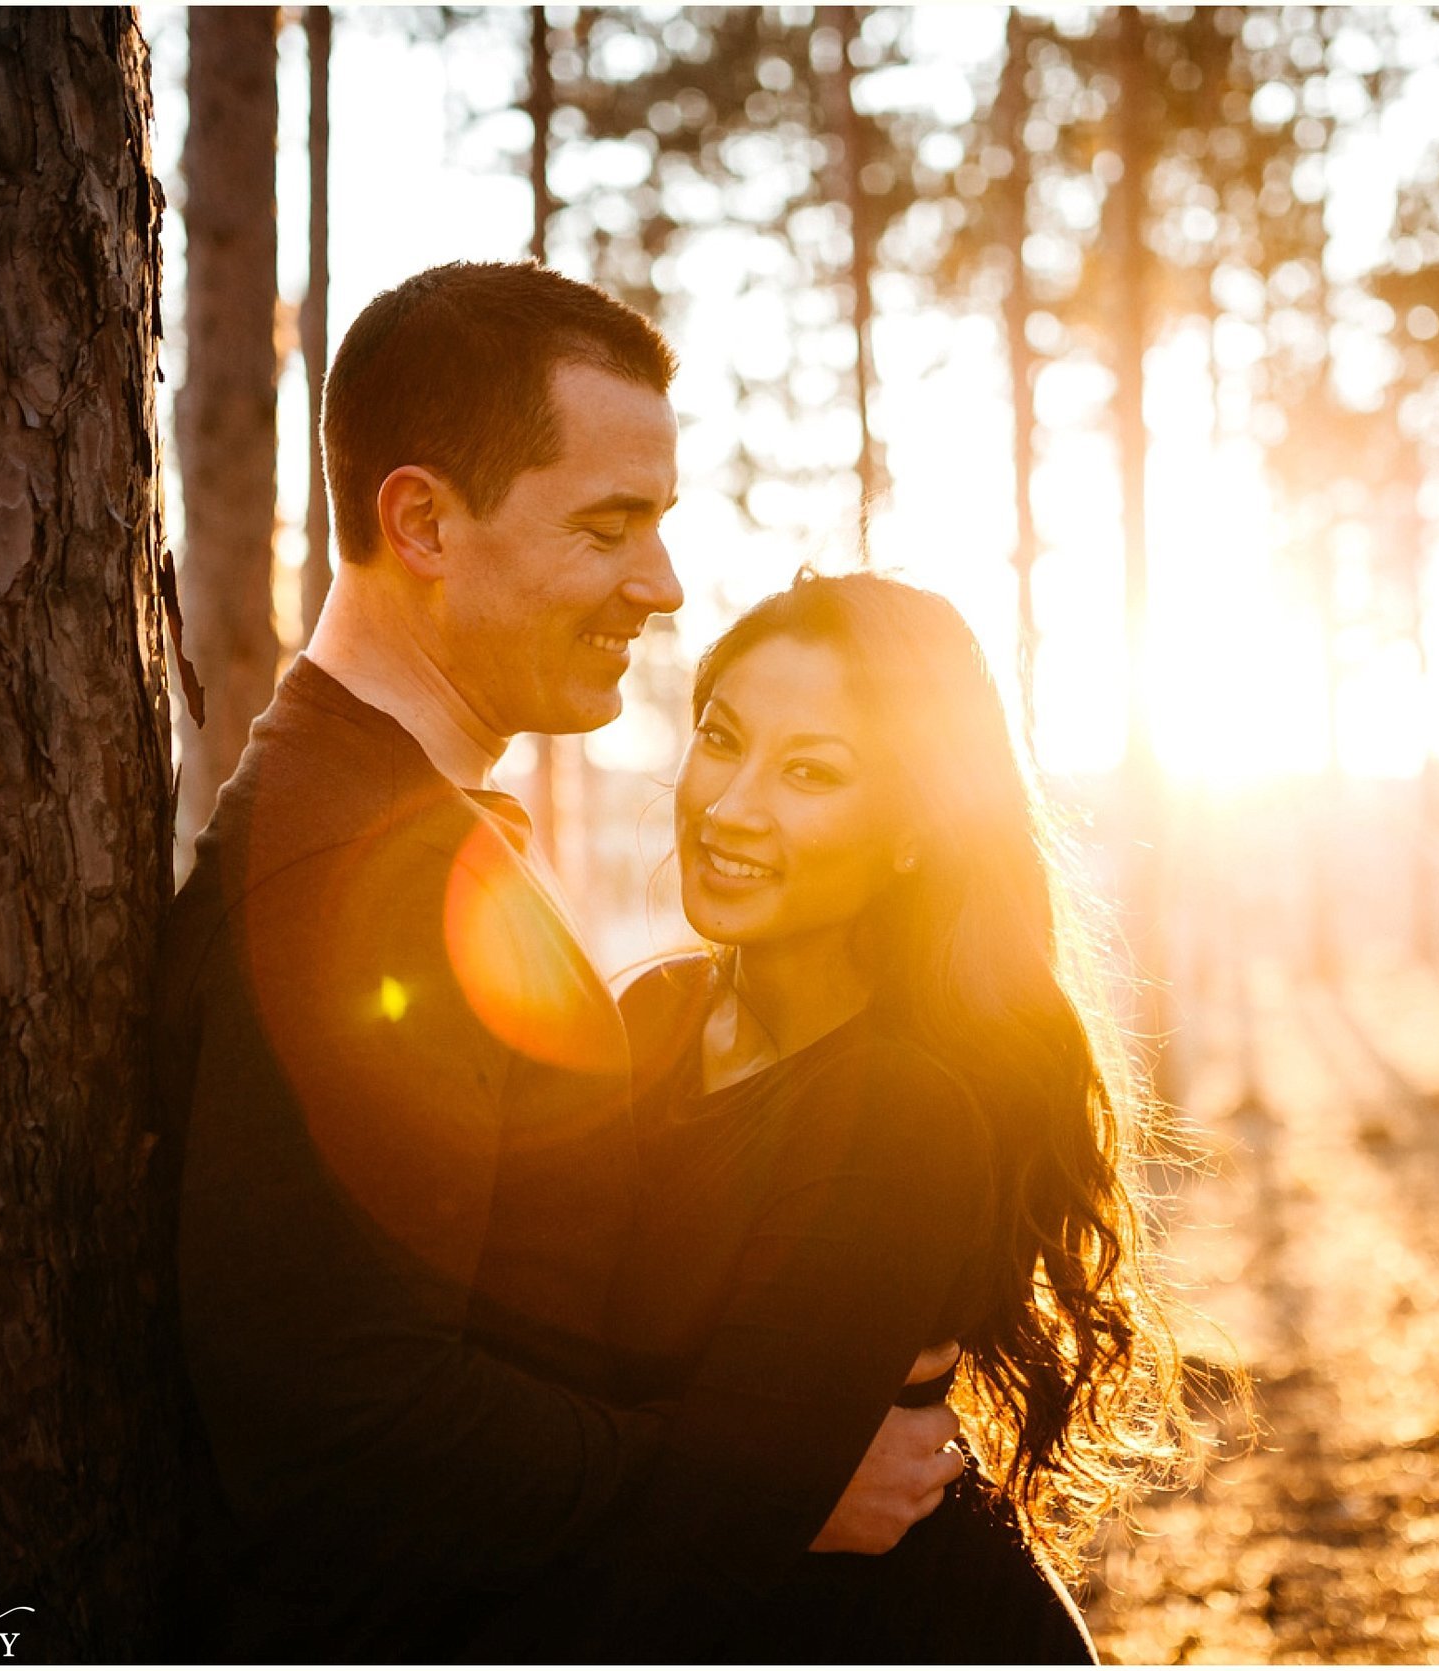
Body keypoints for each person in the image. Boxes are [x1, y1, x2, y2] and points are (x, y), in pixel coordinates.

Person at [150, 263, 961, 1661]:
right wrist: (764, 1484)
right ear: (423, 522)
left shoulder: (399, 812)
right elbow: (341, 1413)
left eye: (659, 523)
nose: (661, 583)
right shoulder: (352, 876)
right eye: (609, 524)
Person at [491, 573, 1191, 1662]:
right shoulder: (653, 1016)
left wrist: (759, 1496)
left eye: (809, 773)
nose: (728, 806)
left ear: (913, 832)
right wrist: (793, 1494)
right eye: (721, 739)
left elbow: (692, 1558)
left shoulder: (898, 1116)